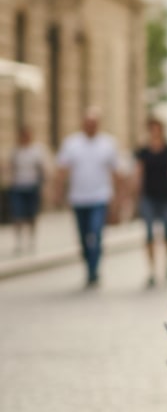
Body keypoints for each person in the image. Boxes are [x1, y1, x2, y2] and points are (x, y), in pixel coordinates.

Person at [55, 106, 120, 287]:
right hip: (78, 198)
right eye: (88, 123)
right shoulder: (72, 143)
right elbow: (62, 169)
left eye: (94, 123)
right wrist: (58, 191)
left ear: (98, 124)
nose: (91, 126)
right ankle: (88, 262)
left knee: (96, 232)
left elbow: (115, 172)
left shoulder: (108, 143)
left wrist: (119, 200)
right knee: (83, 235)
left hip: (100, 196)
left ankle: (94, 269)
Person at [134, 116, 167, 287]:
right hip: (148, 196)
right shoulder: (143, 151)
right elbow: (138, 173)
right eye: (151, 128)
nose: (154, 132)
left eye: (157, 128)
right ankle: (152, 270)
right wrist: (135, 195)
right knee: (148, 233)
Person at [8, 125, 48, 253]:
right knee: (17, 214)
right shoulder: (16, 152)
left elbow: (41, 169)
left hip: (32, 186)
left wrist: (43, 185)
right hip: (18, 186)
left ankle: (31, 239)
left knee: (32, 215)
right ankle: (18, 241)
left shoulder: (36, 151)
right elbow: (11, 167)